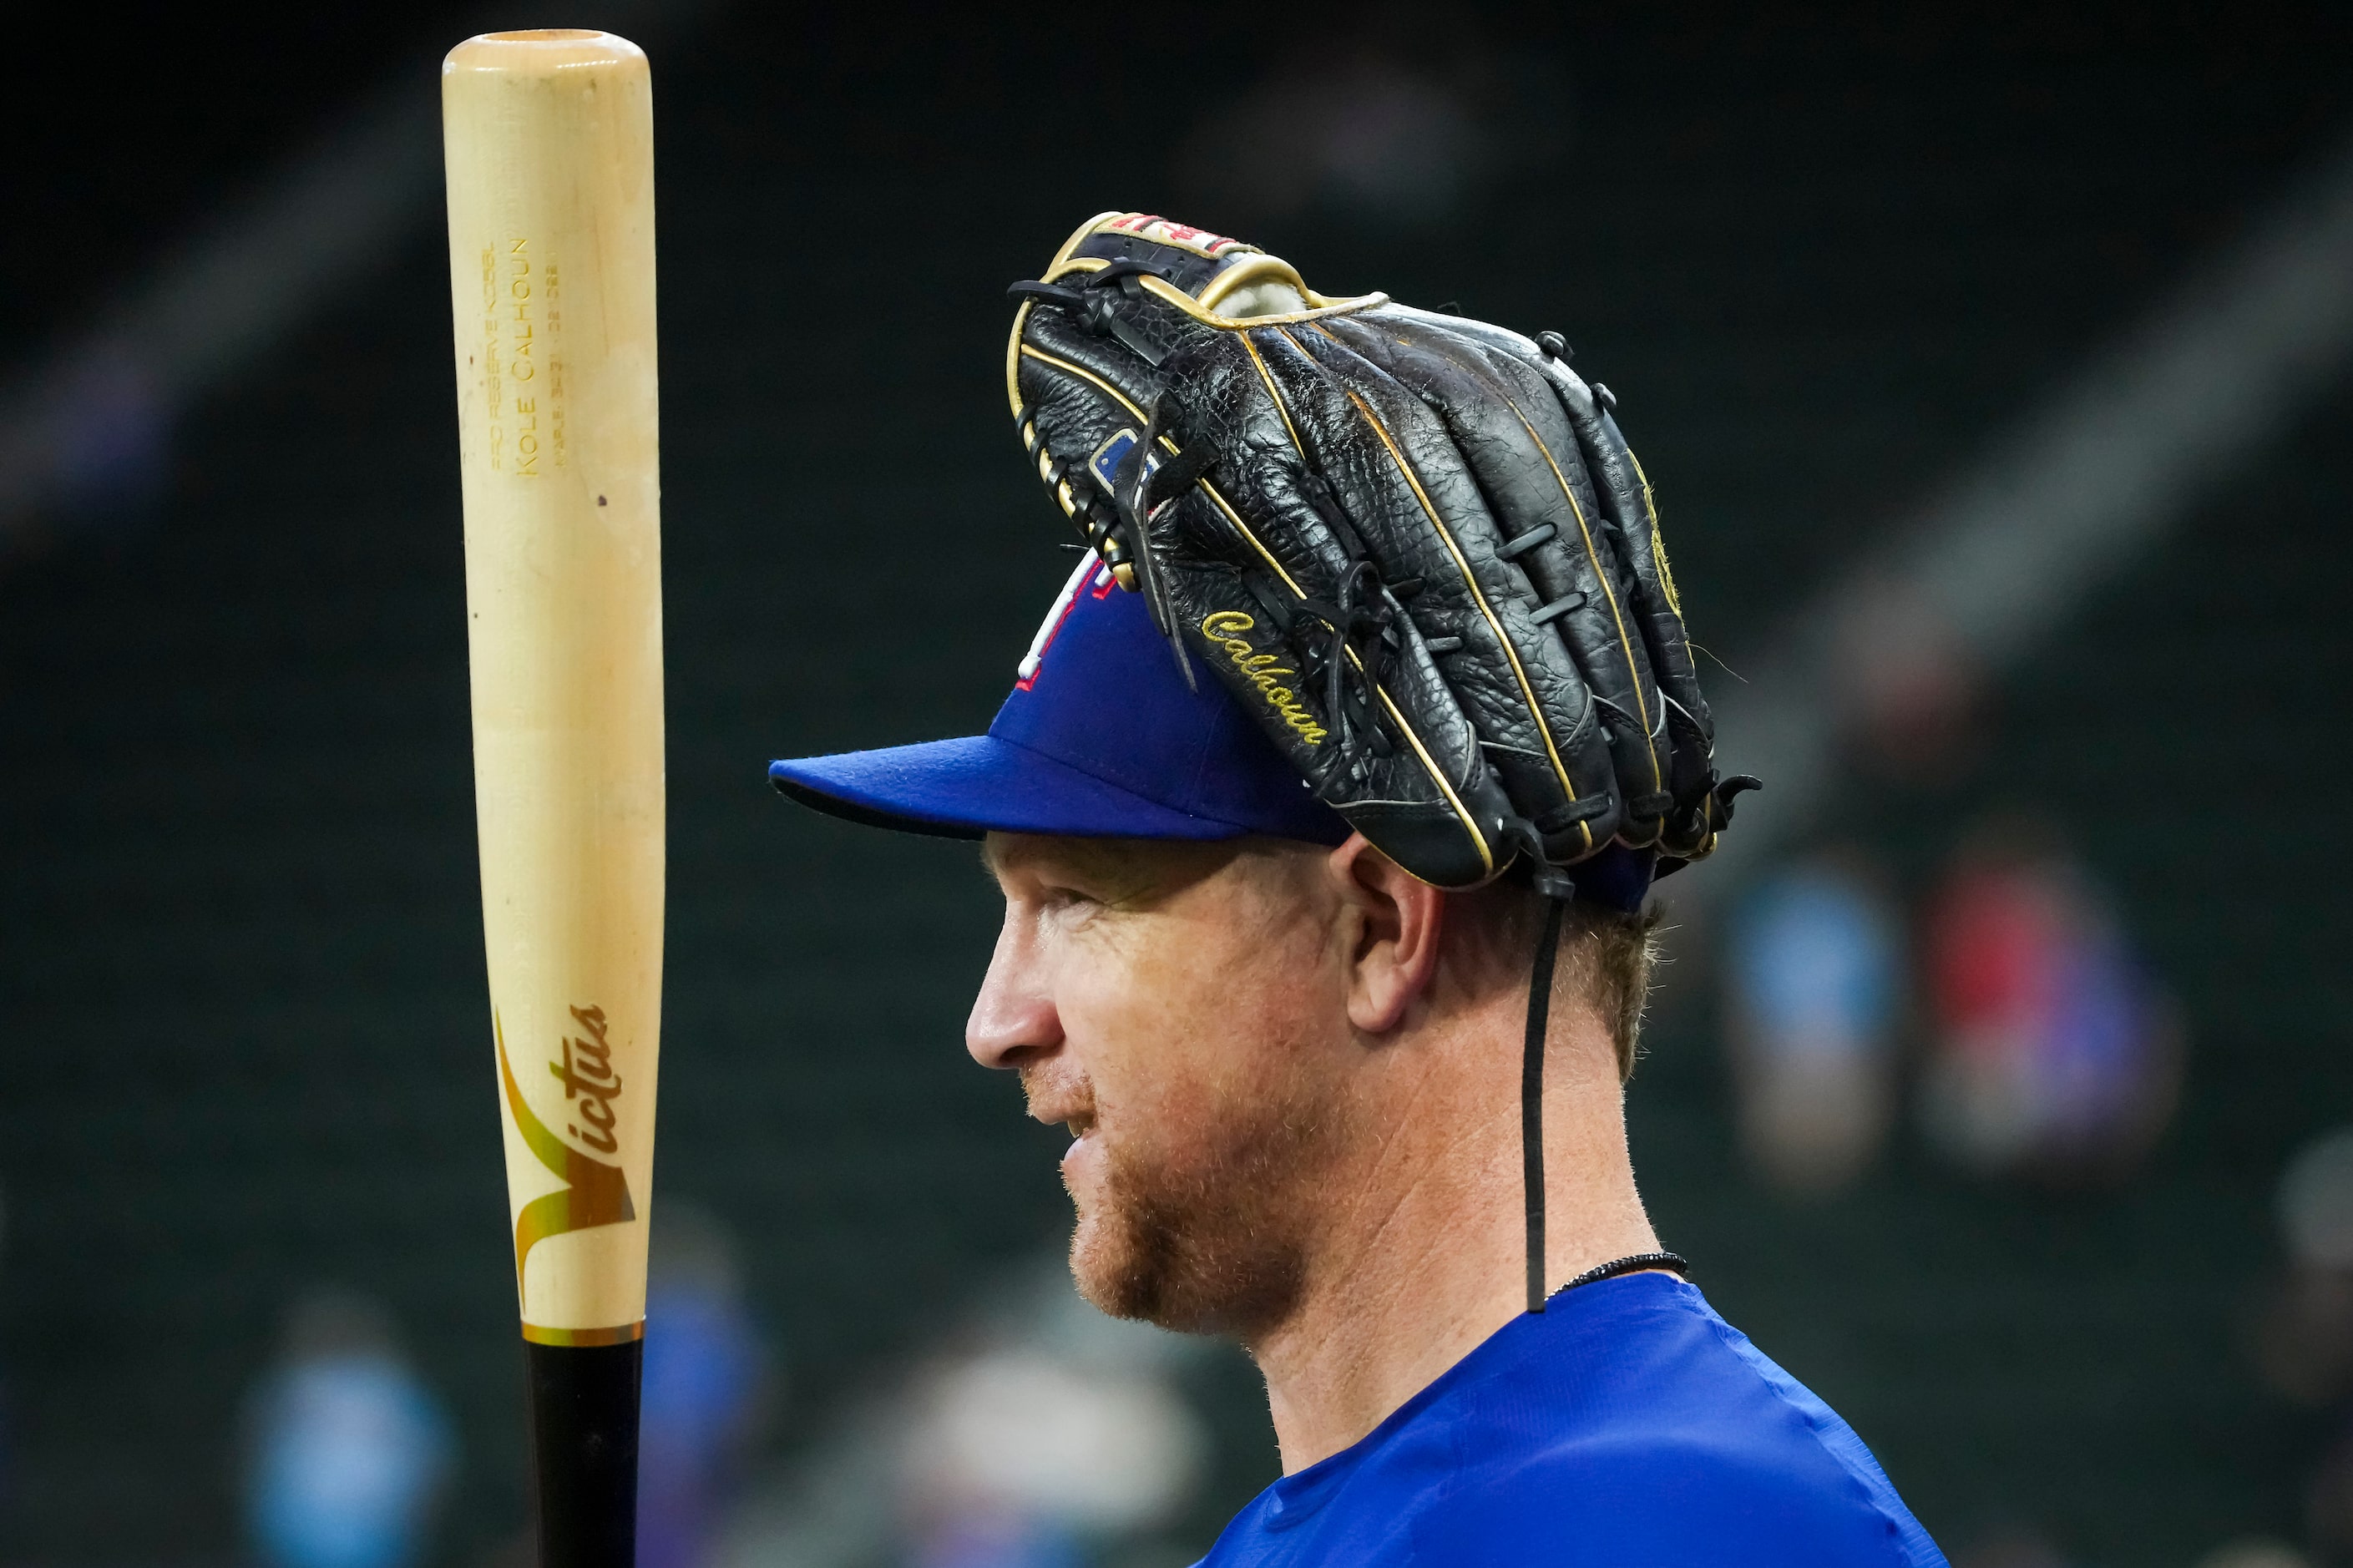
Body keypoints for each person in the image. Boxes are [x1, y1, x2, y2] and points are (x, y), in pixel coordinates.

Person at [769, 215, 1944, 1565]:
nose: (997, 1017)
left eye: (1077, 898)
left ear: (1380, 926)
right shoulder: (1379, 1520)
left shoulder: (1658, 1522)